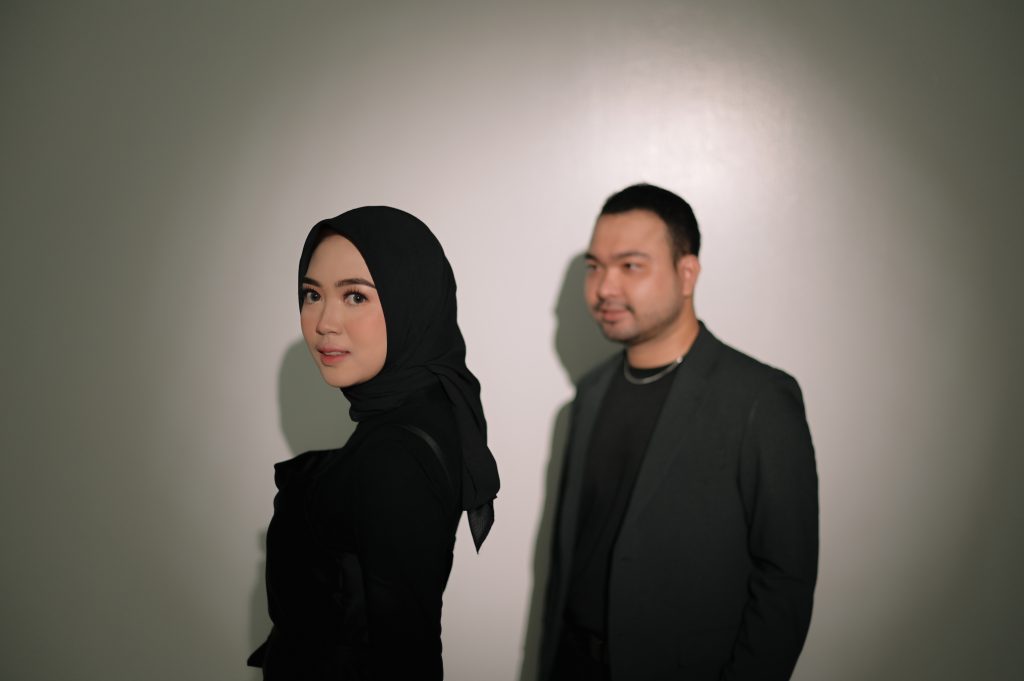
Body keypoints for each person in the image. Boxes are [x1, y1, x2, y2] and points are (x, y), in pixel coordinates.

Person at [539, 184, 818, 681]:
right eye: (594, 267)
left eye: (630, 266)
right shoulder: (590, 394)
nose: (604, 288)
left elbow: (785, 580)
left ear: (686, 274)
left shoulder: (759, 398)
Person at [248, 206, 500, 680]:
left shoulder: (397, 453)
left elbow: (406, 656)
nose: (325, 322)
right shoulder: (424, 411)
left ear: (411, 301)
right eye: (312, 294)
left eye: (355, 296)